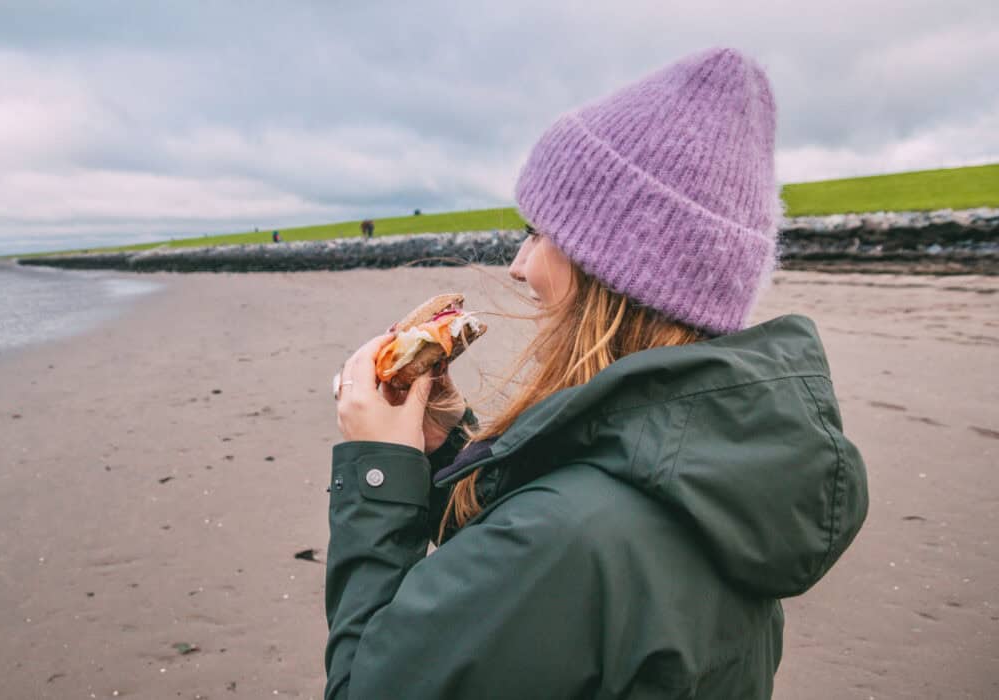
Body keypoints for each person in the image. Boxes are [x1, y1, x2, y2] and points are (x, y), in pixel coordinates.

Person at [325, 47, 868, 699]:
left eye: (539, 233)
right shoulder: (716, 484)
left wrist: (378, 468)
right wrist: (446, 449)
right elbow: (542, 603)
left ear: (612, 268)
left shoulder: (568, 539)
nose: (519, 266)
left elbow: (370, 686)